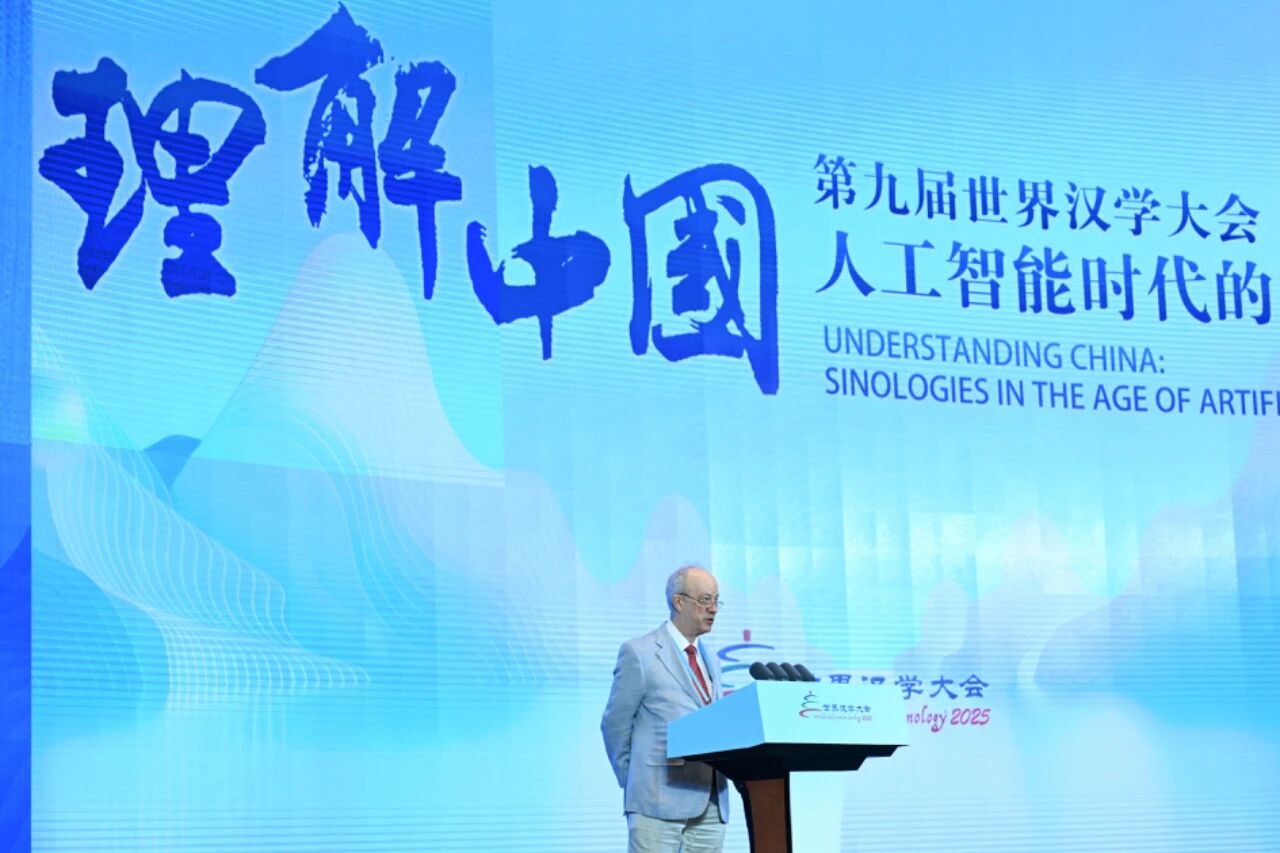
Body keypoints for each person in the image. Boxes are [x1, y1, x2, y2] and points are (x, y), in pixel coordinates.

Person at [601, 565, 731, 852]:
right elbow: (615, 724)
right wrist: (634, 779)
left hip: (710, 801)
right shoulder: (639, 652)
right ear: (679, 602)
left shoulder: (711, 658)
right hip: (656, 799)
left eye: (716, 601)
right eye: (705, 600)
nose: (713, 609)